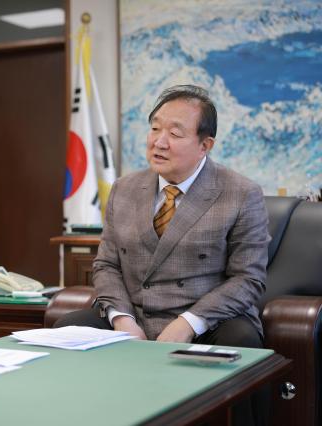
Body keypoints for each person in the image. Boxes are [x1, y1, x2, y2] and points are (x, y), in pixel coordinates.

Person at [55, 85, 270, 425]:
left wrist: (188, 323)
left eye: (175, 132)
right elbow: (107, 264)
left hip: (207, 323)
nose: (159, 141)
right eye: (155, 128)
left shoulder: (241, 194)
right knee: (66, 327)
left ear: (205, 145)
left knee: (241, 341)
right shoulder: (125, 189)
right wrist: (121, 319)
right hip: (134, 318)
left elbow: (249, 279)